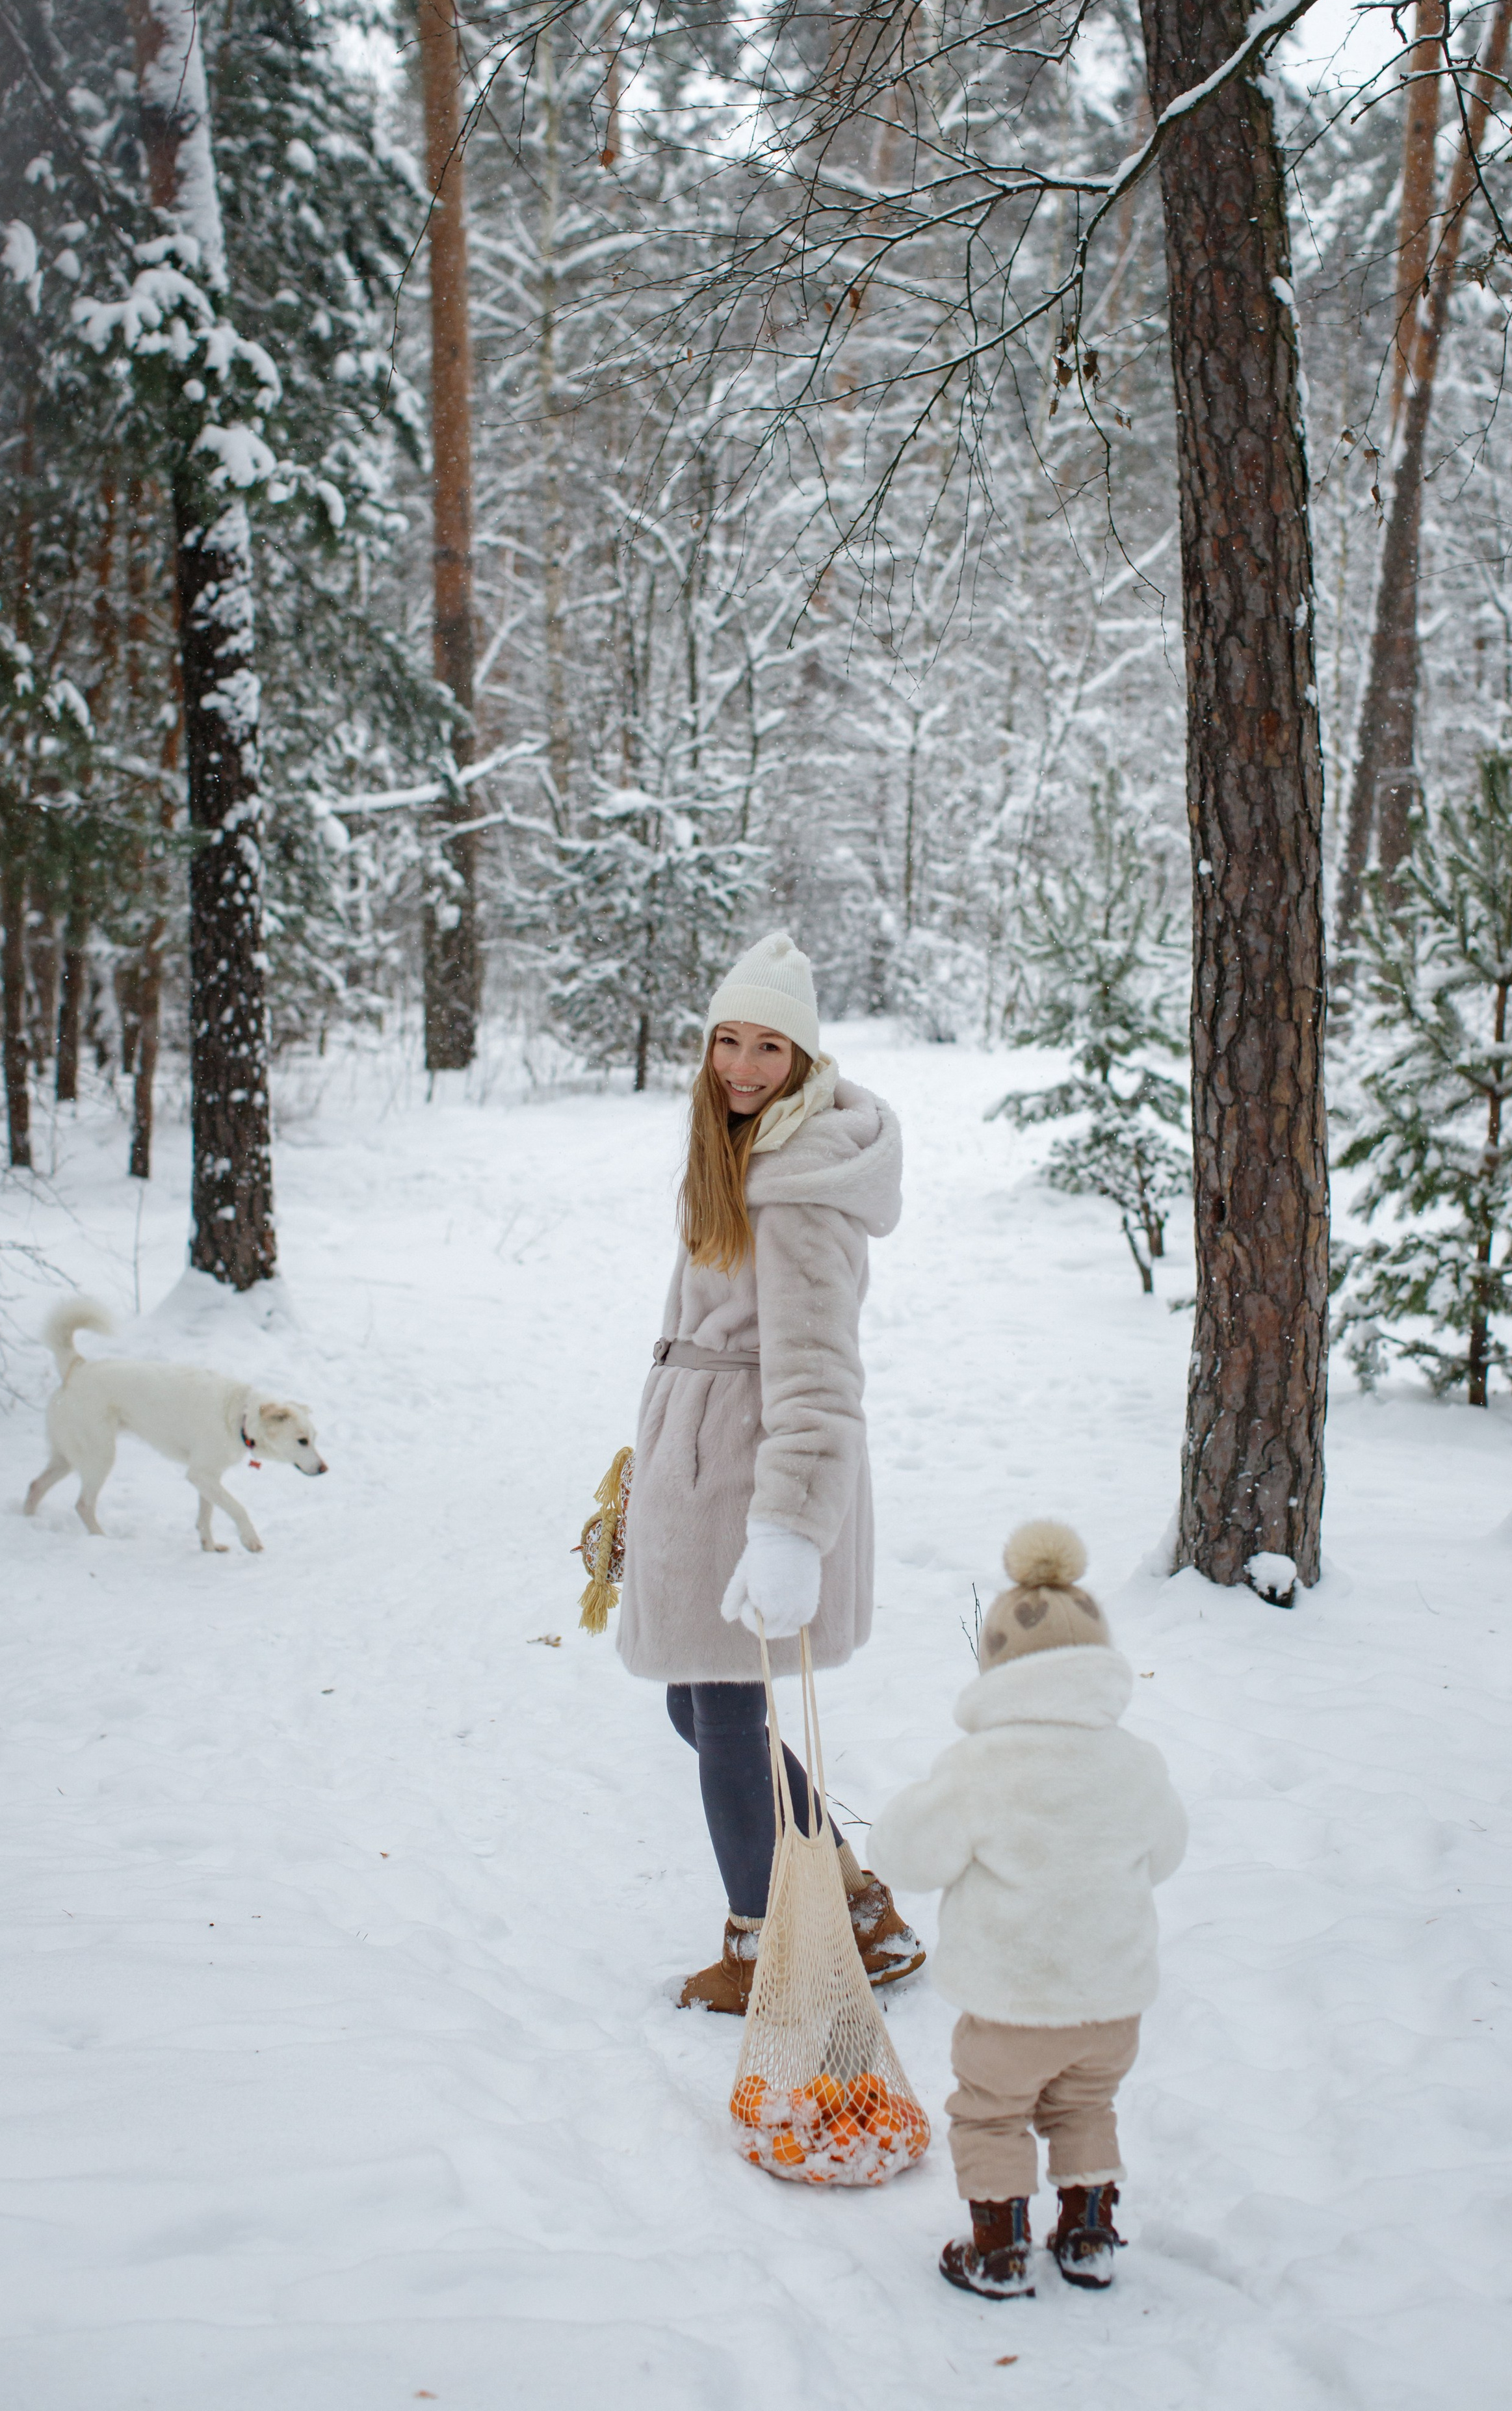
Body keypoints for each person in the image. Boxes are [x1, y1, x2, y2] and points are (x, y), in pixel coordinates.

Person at [616, 930, 924, 2013]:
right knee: (702, 1711)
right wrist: (643, 1466)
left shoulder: (796, 1186)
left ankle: (767, 1953)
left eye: (769, 1049)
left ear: (804, 1058)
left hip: (753, 1481)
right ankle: (857, 1909)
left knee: (723, 1716)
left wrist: (789, 1529)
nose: (743, 1067)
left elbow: (820, 1379)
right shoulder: (741, 1147)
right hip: (702, 1469)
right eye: (726, 1042)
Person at [869, 1520, 1187, 2299]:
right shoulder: (1135, 1762)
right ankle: (1087, 2235)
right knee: (1085, 2107)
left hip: (1011, 2006)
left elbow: (904, 1855)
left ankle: (999, 2251)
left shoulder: (979, 1766)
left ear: (1000, 1665)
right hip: (1110, 2005)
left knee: (991, 2115)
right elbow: (1166, 1853)